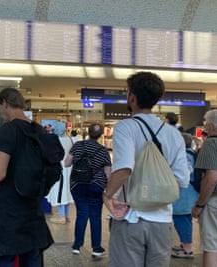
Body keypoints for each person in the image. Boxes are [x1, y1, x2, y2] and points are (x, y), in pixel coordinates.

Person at [103, 72, 189, 267]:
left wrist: (107, 195)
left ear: (131, 96)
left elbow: (124, 168)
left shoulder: (126, 127)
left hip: (130, 218)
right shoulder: (174, 134)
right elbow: (182, 180)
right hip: (162, 221)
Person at [0, 88, 53, 266]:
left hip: (8, 214)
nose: (1, 115)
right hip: (33, 210)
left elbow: (0, 174)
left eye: (0, 109)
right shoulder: (39, 131)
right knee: (32, 258)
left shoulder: (8, 130)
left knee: (5, 259)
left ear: (5, 103)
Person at [64, 123, 111, 257]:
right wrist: (108, 189)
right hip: (96, 185)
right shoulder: (103, 150)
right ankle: (96, 248)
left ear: (88, 132)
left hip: (77, 184)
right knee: (95, 216)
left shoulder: (78, 146)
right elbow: (108, 172)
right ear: (101, 135)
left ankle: (77, 245)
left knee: (82, 213)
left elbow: (67, 163)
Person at [191, 109, 217, 267]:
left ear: (211, 126)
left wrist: (199, 205)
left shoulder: (212, 143)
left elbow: (212, 177)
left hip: (216, 201)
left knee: (212, 245)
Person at [171, 133, 199, 259]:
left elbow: (185, 173)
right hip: (188, 194)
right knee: (184, 220)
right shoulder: (190, 153)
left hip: (184, 195)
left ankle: (187, 249)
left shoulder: (185, 156)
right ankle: (184, 244)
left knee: (182, 220)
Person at [46, 121, 74, 224]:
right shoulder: (70, 139)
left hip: (60, 169)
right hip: (69, 169)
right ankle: (66, 216)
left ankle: (62, 217)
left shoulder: (56, 140)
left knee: (60, 192)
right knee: (66, 191)